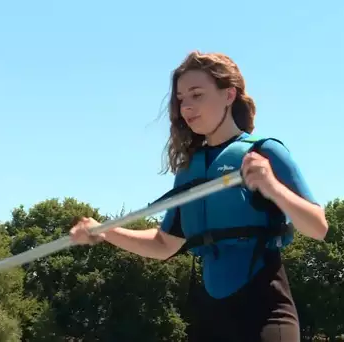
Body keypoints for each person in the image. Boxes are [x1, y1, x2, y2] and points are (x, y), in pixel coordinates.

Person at [70, 51, 328, 342]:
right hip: (209, 317)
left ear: (228, 95)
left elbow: (318, 227)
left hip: (264, 312)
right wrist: (105, 232)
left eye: (197, 95)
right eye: (182, 99)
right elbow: (164, 244)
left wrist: (273, 187)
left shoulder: (265, 152)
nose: (187, 107)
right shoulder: (189, 171)